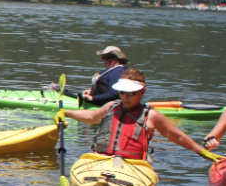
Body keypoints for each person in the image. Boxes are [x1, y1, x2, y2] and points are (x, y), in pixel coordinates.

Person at [59, 68, 209, 160]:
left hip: (133, 165)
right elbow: (92, 117)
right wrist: (66, 113)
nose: (126, 96)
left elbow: (177, 136)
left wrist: (201, 152)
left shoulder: (151, 116)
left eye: (131, 92)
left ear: (142, 92)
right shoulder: (111, 107)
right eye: (122, 92)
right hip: (102, 160)